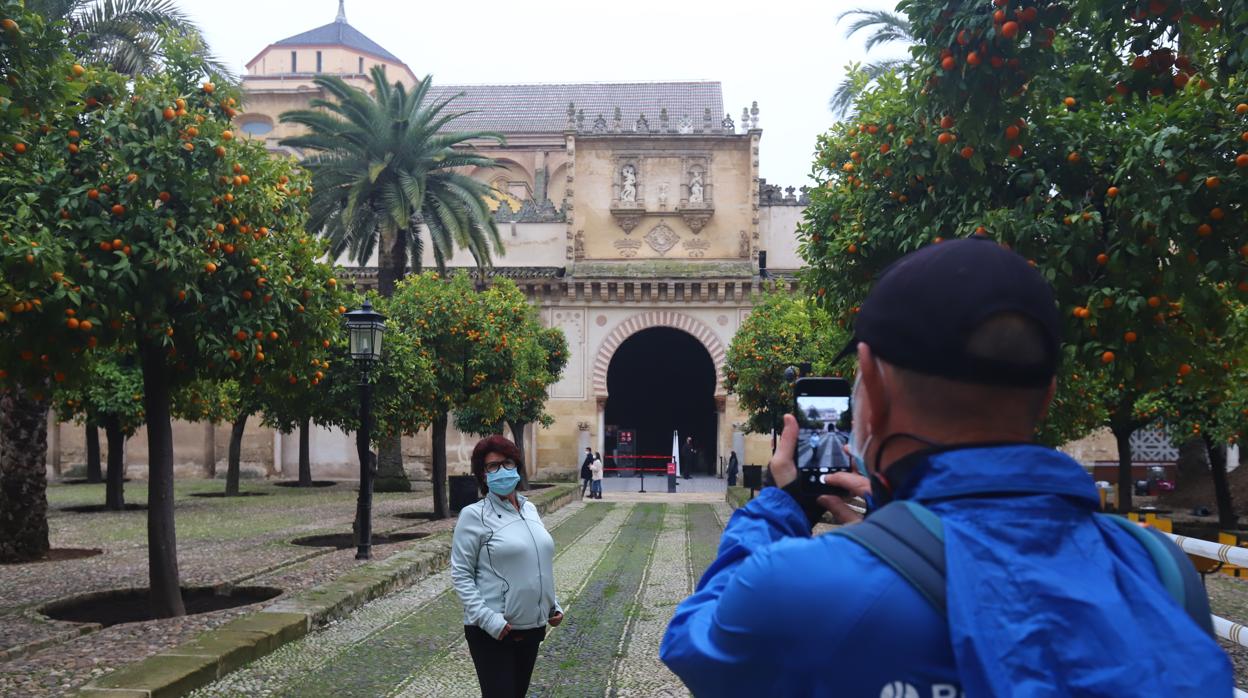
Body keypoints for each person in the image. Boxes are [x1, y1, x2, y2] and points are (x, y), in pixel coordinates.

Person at [659, 238, 1231, 696]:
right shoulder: (1162, 572)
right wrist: (901, 524)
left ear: (873, 392)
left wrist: (780, 507)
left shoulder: (802, 583)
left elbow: (693, 645)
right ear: (1048, 395)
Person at [452, 435, 564, 698]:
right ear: (483, 473)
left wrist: (552, 604)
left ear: (517, 466)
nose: (501, 470)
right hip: (496, 632)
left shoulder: (531, 510)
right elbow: (461, 574)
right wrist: (490, 620)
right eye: (493, 466)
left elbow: (537, 563)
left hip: (532, 629)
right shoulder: (474, 515)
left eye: (508, 463)